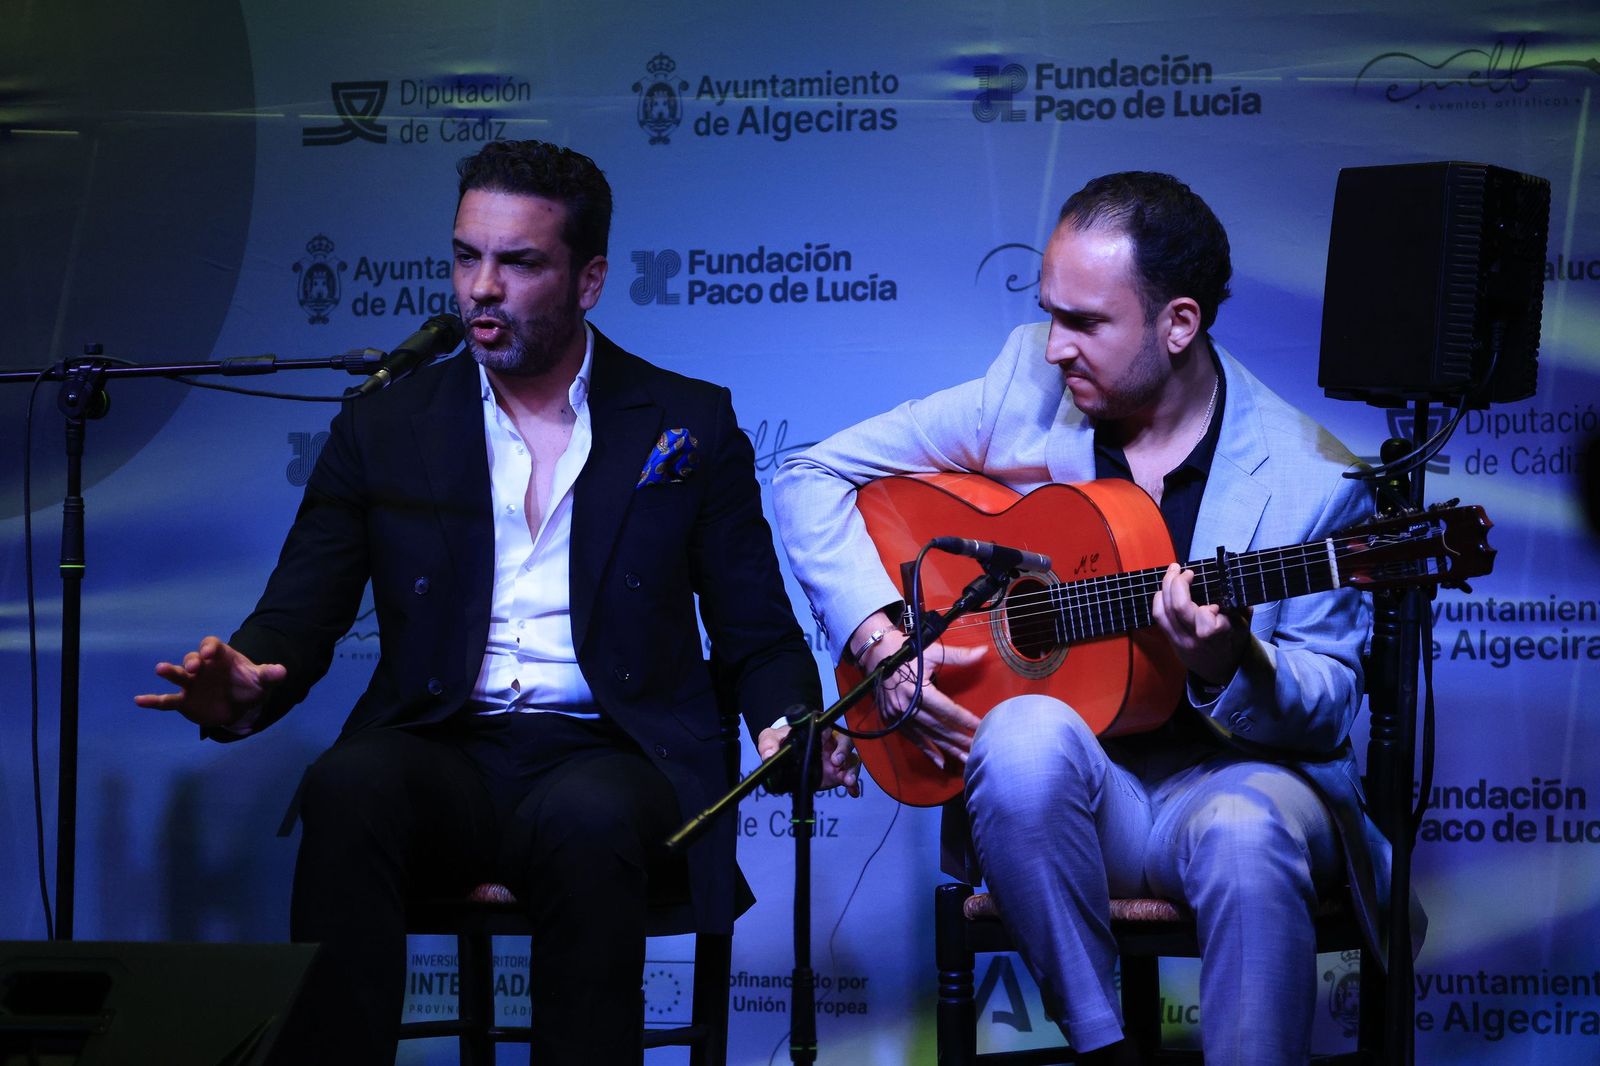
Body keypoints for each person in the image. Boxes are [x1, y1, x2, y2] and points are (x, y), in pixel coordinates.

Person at [136, 139, 851, 1065]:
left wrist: (789, 720)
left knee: (587, 818)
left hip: (614, 752)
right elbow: (295, 620)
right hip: (446, 751)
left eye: (517, 262)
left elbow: (756, 627)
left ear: (588, 279)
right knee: (348, 786)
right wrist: (245, 686)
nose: (480, 287)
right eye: (466, 255)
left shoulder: (687, 422)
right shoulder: (384, 425)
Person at [773, 172, 1413, 1064]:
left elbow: (1325, 708)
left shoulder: (1317, 482)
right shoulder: (1024, 388)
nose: (1053, 350)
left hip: (1236, 783)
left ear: (1178, 324)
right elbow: (809, 474)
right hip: (1078, 803)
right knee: (1023, 733)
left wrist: (1230, 666)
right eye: (1050, 315)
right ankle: (1101, 1046)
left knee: (1245, 832)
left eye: (1086, 324)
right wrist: (882, 641)